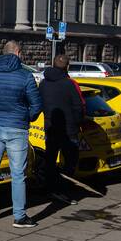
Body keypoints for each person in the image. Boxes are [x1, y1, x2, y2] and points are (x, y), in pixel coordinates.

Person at [0, 40, 43, 228]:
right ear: (18, 53)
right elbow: (37, 105)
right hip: (17, 128)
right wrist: (25, 117)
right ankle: (19, 216)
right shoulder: (25, 76)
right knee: (18, 173)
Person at [39, 54, 85, 205]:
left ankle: (50, 189)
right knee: (70, 162)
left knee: (50, 160)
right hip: (68, 129)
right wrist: (78, 122)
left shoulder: (44, 83)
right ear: (67, 67)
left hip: (51, 127)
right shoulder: (69, 84)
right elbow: (79, 106)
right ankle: (64, 191)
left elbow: (39, 102)